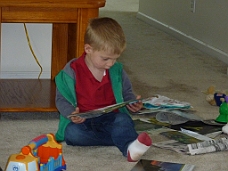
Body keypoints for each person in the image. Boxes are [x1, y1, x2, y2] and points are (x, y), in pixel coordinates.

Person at [54, 17, 152, 162]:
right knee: (72, 134)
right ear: (88, 49)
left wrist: (132, 103)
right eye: (106, 59)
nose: (111, 63)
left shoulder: (117, 70)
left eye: (115, 58)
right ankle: (121, 138)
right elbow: (61, 99)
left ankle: (130, 148)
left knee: (123, 120)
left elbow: (126, 93)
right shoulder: (71, 71)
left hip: (111, 117)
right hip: (83, 120)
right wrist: (71, 113)